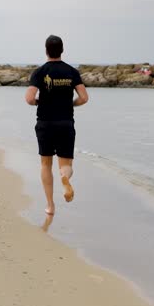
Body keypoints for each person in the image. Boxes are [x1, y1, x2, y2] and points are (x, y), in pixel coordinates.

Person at [24, 34, 89, 215]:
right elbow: (84, 98)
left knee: (46, 164)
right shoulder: (71, 72)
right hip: (65, 123)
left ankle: (50, 205)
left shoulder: (39, 72)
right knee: (65, 164)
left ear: (46, 50)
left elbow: (29, 98)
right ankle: (64, 177)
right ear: (62, 50)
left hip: (45, 123)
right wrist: (71, 104)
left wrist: (39, 102)